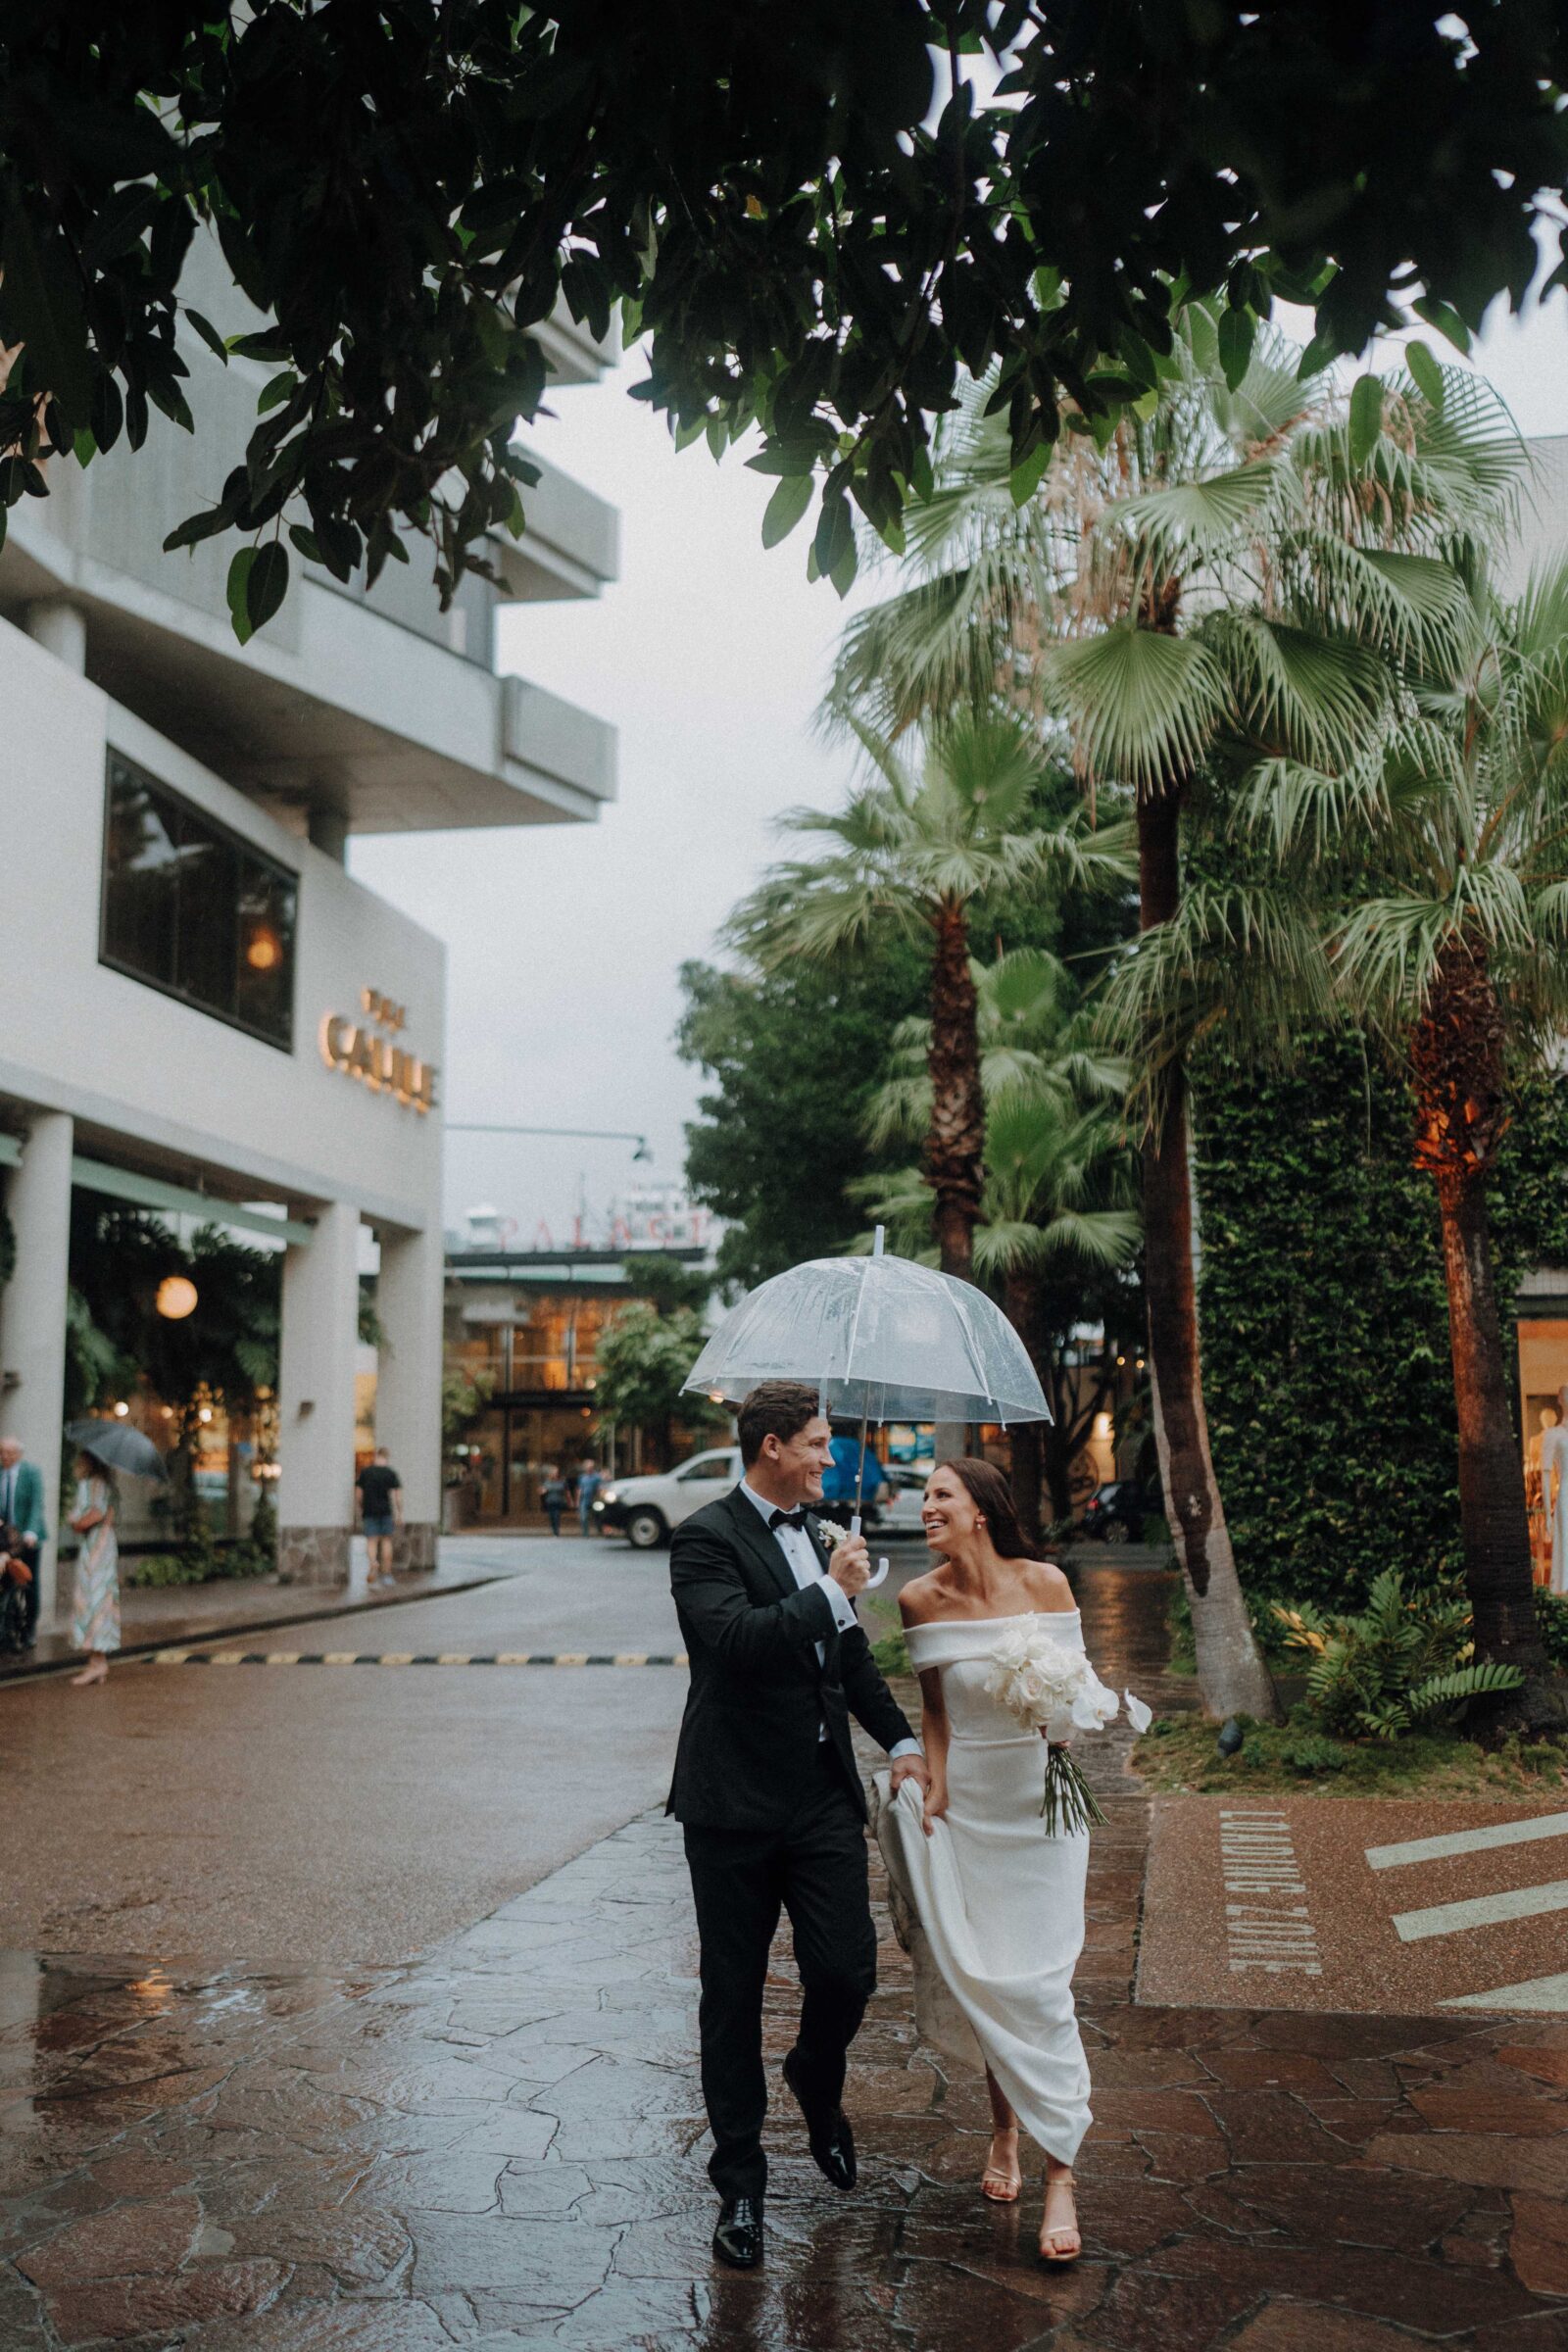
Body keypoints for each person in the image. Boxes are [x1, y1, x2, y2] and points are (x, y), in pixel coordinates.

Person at [667, 1380, 930, 2273]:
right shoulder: (703, 1537)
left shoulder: (822, 1538)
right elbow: (737, 1642)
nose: (829, 1457)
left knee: (847, 1970)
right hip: (732, 1803)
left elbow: (845, 1660)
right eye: (817, 1443)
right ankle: (740, 2184)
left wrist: (899, 1740)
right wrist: (829, 1590)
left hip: (820, 1797)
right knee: (732, 1998)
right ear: (772, 1446)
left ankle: (816, 2074)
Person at [880, 1457, 1091, 2264]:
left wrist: (1055, 1708)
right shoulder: (917, 1600)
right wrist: (931, 1787)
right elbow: (934, 1714)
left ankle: (1061, 2171)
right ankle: (1003, 2128)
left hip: (1042, 1808)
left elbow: (1076, 1697)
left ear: (982, 1511)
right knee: (990, 1980)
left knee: (1041, 1984)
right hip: (968, 1809)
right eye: (926, 1495)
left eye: (941, 1495)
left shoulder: (1046, 1584)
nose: (926, 1505)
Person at [68, 1451, 120, 1688]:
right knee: (100, 1597)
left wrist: (76, 1523)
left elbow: (95, 1514)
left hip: (96, 1545)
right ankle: (97, 1661)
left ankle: (97, 1663)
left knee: (92, 1598)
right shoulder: (108, 1485)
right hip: (105, 1543)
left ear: (88, 1461)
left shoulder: (92, 1484)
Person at [0, 1436, 47, 1648]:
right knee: (6, 1582)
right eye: (2, 1453)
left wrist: (31, 1532)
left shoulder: (31, 1473)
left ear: (18, 1454)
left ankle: (29, 1630)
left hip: (28, 1537)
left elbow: (37, 1505)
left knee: (30, 1581)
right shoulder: (0, 1474)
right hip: (6, 1539)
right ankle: (7, 1628)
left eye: (9, 1453)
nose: (5, 1457)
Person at [817, 1424, 888, 1530]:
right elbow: (873, 1468)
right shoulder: (857, 1446)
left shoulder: (832, 1445)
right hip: (858, 1494)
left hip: (831, 1493)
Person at [356, 1447, 404, 1589]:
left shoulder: (366, 1472)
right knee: (386, 1542)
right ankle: (387, 1574)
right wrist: (400, 1513)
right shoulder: (390, 1473)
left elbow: (358, 1494)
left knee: (371, 1541)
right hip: (385, 1512)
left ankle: (373, 1563)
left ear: (376, 1457)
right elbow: (397, 1497)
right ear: (387, 1458)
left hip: (369, 1511)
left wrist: (361, 1507)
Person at [576, 1455, 602, 1537]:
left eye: (591, 1466)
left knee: (597, 1516)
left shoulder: (597, 1477)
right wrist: (577, 1500)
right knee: (583, 1516)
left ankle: (599, 1530)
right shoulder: (582, 1477)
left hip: (594, 1498)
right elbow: (580, 1489)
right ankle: (585, 1533)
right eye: (588, 1466)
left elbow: (599, 1488)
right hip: (584, 1498)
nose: (589, 1468)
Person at [540, 1463, 566, 1537]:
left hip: (558, 1501)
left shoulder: (562, 1481)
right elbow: (542, 1491)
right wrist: (542, 1491)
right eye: (553, 1473)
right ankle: (554, 1529)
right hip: (550, 1501)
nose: (555, 1474)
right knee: (552, 1516)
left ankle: (556, 1530)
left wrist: (570, 1501)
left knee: (556, 1516)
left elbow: (565, 1491)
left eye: (556, 1472)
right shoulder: (547, 1482)